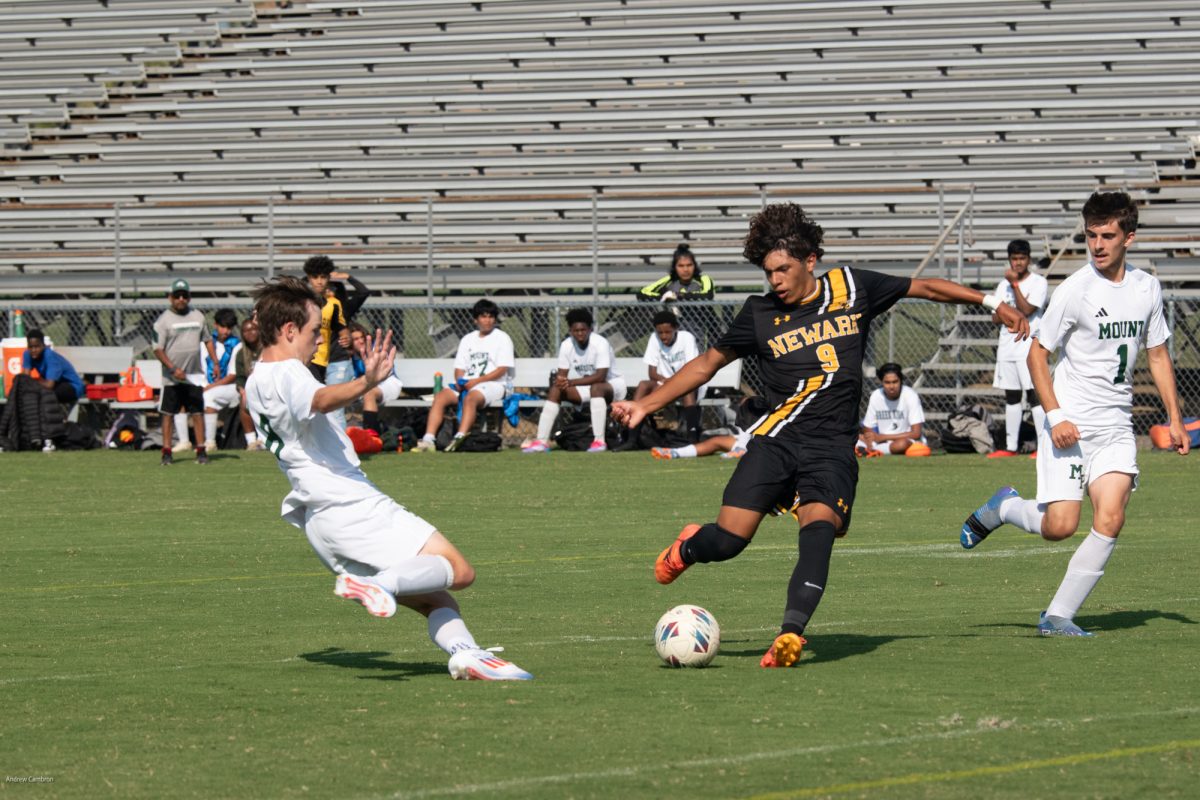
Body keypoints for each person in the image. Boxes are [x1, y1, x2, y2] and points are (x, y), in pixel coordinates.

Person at [612, 202, 1028, 668]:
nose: (776, 282)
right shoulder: (759, 314)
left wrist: (992, 303)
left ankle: (790, 634)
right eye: (769, 272)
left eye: (783, 270)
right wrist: (644, 404)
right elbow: (707, 364)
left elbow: (926, 287)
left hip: (832, 448)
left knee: (818, 531)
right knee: (729, 541)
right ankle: (688, 546)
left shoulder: (852, 286)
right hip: (776, 439)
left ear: (810, 260)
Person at [244, 277, 531, 680]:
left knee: (437, 598)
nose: (318, 342)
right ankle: (382, 585)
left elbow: (302, 427)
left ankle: (467, 655)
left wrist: (346, 441)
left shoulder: (256, 379)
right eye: (314, 332)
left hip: (318, 520)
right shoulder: (288, 370)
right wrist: (368, 381)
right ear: (289, 330)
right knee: (459, 570)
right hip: (348, 504)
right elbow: (319, 399)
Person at [959, 191, 1189, 636]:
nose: (1098, 244)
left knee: (1112, 516)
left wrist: (1175, 418)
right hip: (1068, 422)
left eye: (1108, 235)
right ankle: (1005, 507)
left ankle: (1058, 615)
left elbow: (1158, 355)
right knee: (1060, 526)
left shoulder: (1146, 288)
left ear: (1130, 238)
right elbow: (1037, 356)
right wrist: (1057, 416)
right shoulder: (1075, 290)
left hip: (1116, 426)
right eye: (1091, 235)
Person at [414, 299, 514, 453]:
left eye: (491, 317)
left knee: (471, 397)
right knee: (440, 397)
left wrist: (476, 381)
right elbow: (459, 368)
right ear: (476, 319)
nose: (487, 320)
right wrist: (461, 381)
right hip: (470, 383)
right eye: (483, 316)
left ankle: (459, 438)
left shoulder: (502, 338)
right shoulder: (468, 339)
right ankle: (429, 440)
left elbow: (502, 369)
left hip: (495, 384)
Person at [522, 307, 625, 454]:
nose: (580, 334)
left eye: (583, 330)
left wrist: (571, 382)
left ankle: (599, 441)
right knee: (556, 390)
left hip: (613, 386)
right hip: (589, 386)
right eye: (576, 330)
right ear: (570, 330)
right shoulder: (566, 345)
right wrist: (561, 382)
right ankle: (542, 441)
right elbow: (562, 376)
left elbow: (601, 376)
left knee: (596, 387)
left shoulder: (600, 343)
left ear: (590, 329)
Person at [988, 239, 1049, 458]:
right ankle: (1010, 447)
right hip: (1007, 346)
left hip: (1029, 345)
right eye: (1014, 259)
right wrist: (1005, 310)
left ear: (1029, 259)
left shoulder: (1038, 283)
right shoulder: (1001, 285)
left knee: (1035, 395)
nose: (1018, 263)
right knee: (1011, 396)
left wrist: (1015, 286)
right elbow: (995, 317)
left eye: (1022, 259)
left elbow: (1026, 310)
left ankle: (1043, 447)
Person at [153, 279, 219, 466]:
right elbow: (158, 349)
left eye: (184, 295)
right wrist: (173, 368)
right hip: (172, 377)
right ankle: (166, 452)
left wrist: (214, 361)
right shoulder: (163, 321)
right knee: (168, 413)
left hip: (193, 375)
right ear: (170, 297)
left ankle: (201, 449)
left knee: (197, 412)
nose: (181, 299)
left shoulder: (197, 316)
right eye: (177, 296)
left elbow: (207, 340)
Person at [615, 310, 702, 450]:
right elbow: (652, 373)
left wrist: (673, 381)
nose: (663, 336)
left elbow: (691, 370)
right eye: (660, 332)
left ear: (675, 329)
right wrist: (666, 381)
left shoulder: (687, 338)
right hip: (666, 385)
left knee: (687, 388)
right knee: (643, 385)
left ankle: (693, 440)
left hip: (688, 382)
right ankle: (632, 439)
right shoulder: (654, 339)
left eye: (667, 332)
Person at [302, 255, 355, 431]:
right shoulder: (300, 303)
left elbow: (342, 328)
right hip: (307, 360)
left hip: (325, 359)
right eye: (315, 277)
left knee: (331, 407)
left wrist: (347, 337)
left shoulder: (334, 304)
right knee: (309, 405)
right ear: (309, 278)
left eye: (323, 277)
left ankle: (340, 451)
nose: (319, 281)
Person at [857, 362, 926, 456]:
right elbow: (867, 427)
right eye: (887, 382)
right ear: (881, 382)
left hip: (905, 440)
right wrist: (870, 437)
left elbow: (916, 433)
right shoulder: (876, 395)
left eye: (895, 382)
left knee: (902, 444)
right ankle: (871, 449)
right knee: (852, 439)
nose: (892, 386)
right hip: (881, 442)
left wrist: (883, 437)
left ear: (901, 381)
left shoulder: (910, 395)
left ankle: (870, 450)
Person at [348, 322, 404, 436]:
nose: (361, 341)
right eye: (356, 339)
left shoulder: (375, 349)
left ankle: (371, 435)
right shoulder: (349, 355)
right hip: (365, 385)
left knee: (369, 393)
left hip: (387, 383)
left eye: (362, 337)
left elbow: (382, 374)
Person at [200, 308, 242, 451]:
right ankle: (188, 441)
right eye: (223, 327)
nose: (226, 331)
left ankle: (210, 442)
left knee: (208, 396)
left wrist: (210, 387)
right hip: (206, 384)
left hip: (230, 387)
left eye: (229, 328)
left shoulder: (236, 345)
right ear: (216, 325)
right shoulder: (205, 343)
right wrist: (203, 385)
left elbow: (232, 375)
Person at [21, 329, 85, 407]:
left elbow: (49, 385)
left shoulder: (49, 356)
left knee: (47, 395)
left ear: (43, 345)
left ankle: (52, 418)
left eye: (37, 346)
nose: (33, 350)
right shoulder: (27, 354)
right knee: (27, 394)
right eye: (30, 347)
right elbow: (25, 379)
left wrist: (33, 381)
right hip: (55, 385)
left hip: (72, 386)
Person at [235, 317, 267, 450]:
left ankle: (264, 439)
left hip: (267, 387)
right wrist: (242, 390)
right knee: (244, 400)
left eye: (253, 329)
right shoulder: (241, 353)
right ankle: (251, 441)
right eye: (246, 331)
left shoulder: (267, 349)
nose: (250, 333)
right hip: (250, 390)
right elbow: (240, 377)